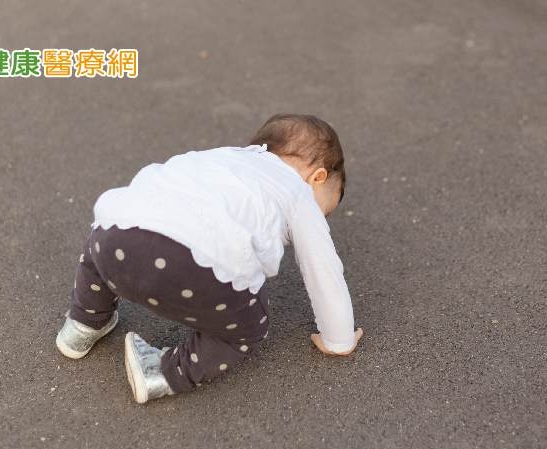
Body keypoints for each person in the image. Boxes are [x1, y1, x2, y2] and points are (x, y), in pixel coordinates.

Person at [55, 113, 364, 403]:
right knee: (250, 326)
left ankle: (83, 324)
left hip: (115, 235)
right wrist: (338, 338)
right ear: (317, 177)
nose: (321, 218)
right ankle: (163, 372)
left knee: (96, 254)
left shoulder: (222, 158)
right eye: (325, 210)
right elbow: (323, 272)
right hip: (191, 268)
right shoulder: (298, 193)